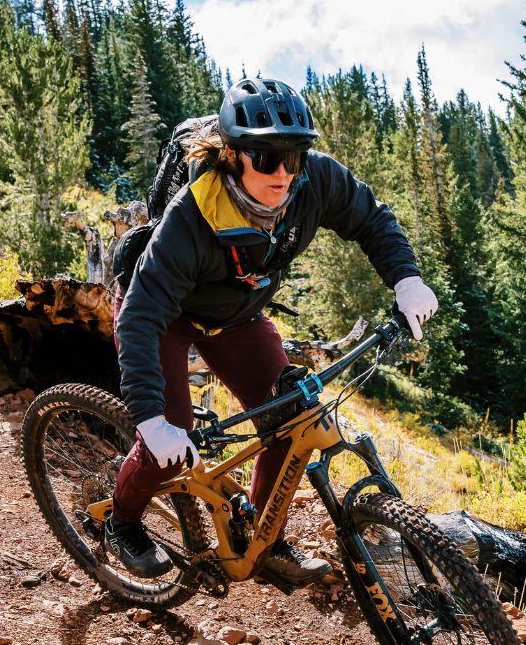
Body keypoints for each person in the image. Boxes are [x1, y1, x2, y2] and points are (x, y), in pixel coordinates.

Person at [107, 77, 439, 588]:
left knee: (292, 418)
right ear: (234, 155)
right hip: (163, 316)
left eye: (294, 156)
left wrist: (406, 278)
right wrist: (151, 418)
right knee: (170, 433)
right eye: (265, 158)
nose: (283, 173)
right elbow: (141, 316)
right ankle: (122, 522)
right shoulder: (193, 214)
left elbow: (371, 219)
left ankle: (264, 538)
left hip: (235, 317)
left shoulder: (315, 183)